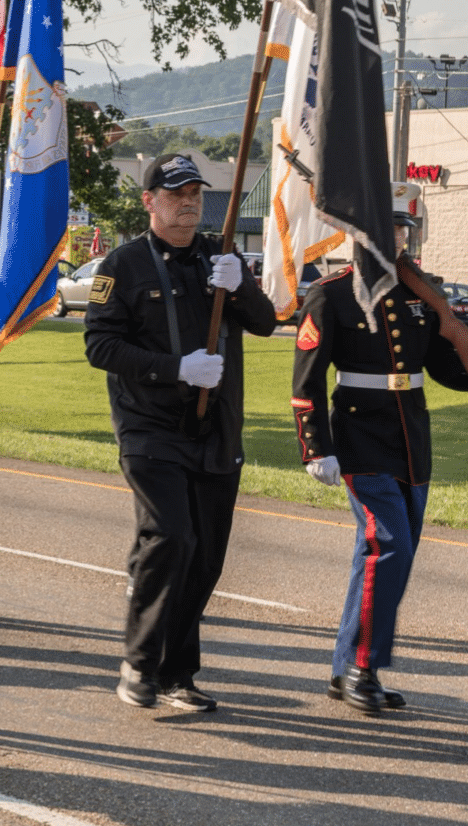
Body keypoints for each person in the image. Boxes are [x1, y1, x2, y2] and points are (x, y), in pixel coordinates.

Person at [84, 152, 276, 712]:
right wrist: (175, 368)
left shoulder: (222, 256)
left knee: (205, 556)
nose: (189, 202)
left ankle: (176, 673)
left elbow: (265, 323)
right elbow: (100, 346)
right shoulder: (120, 266)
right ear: (149, 202)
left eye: (195, 193)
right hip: (150, 425)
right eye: (175, 194)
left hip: (214, 428)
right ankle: (139, 664)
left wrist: (240, 287)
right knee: (171, 536)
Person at [291, 183, 468, 714]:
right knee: (385, 543)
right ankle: (362, 668)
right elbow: (306, 379)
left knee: (394, 552)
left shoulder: (423, 293)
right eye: (385, 226)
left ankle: (348, 667)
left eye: (400, 228)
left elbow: (444, 369)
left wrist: (457, 330)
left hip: (410, 435)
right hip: (359, 434)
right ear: (357, 232)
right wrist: (313, 447)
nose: (394, 236)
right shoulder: (333, 292)